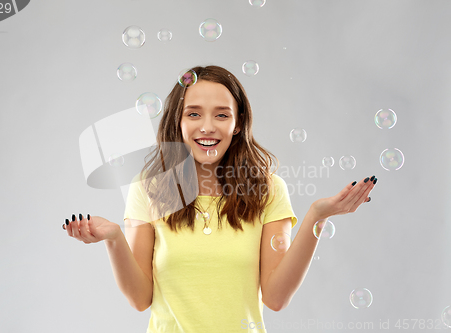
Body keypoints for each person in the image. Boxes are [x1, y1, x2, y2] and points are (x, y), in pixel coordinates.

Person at [63, 65, 377, 333]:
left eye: (222, 115)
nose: (208, 127)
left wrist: (315, 217)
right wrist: (114, 238)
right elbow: (140, 298)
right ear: (179, 121)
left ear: (237, 123)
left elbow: (276, 298)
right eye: (194, 113)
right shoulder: (149, 189)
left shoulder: (268, 190)